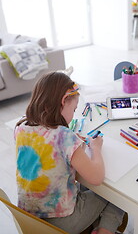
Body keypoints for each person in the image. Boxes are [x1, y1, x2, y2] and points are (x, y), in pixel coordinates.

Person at [14, 72, 125, 234]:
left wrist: (72, 142)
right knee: (117, 195)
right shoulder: (64, 137)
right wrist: (96, 149)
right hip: (61, 223)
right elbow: (96, 177)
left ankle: (96, 224)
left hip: (29, 219)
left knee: (85, 187)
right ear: (62, 102)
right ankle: (105, 231)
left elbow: (46, 147)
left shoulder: (21, 127)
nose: (73, 116)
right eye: (73, 109)